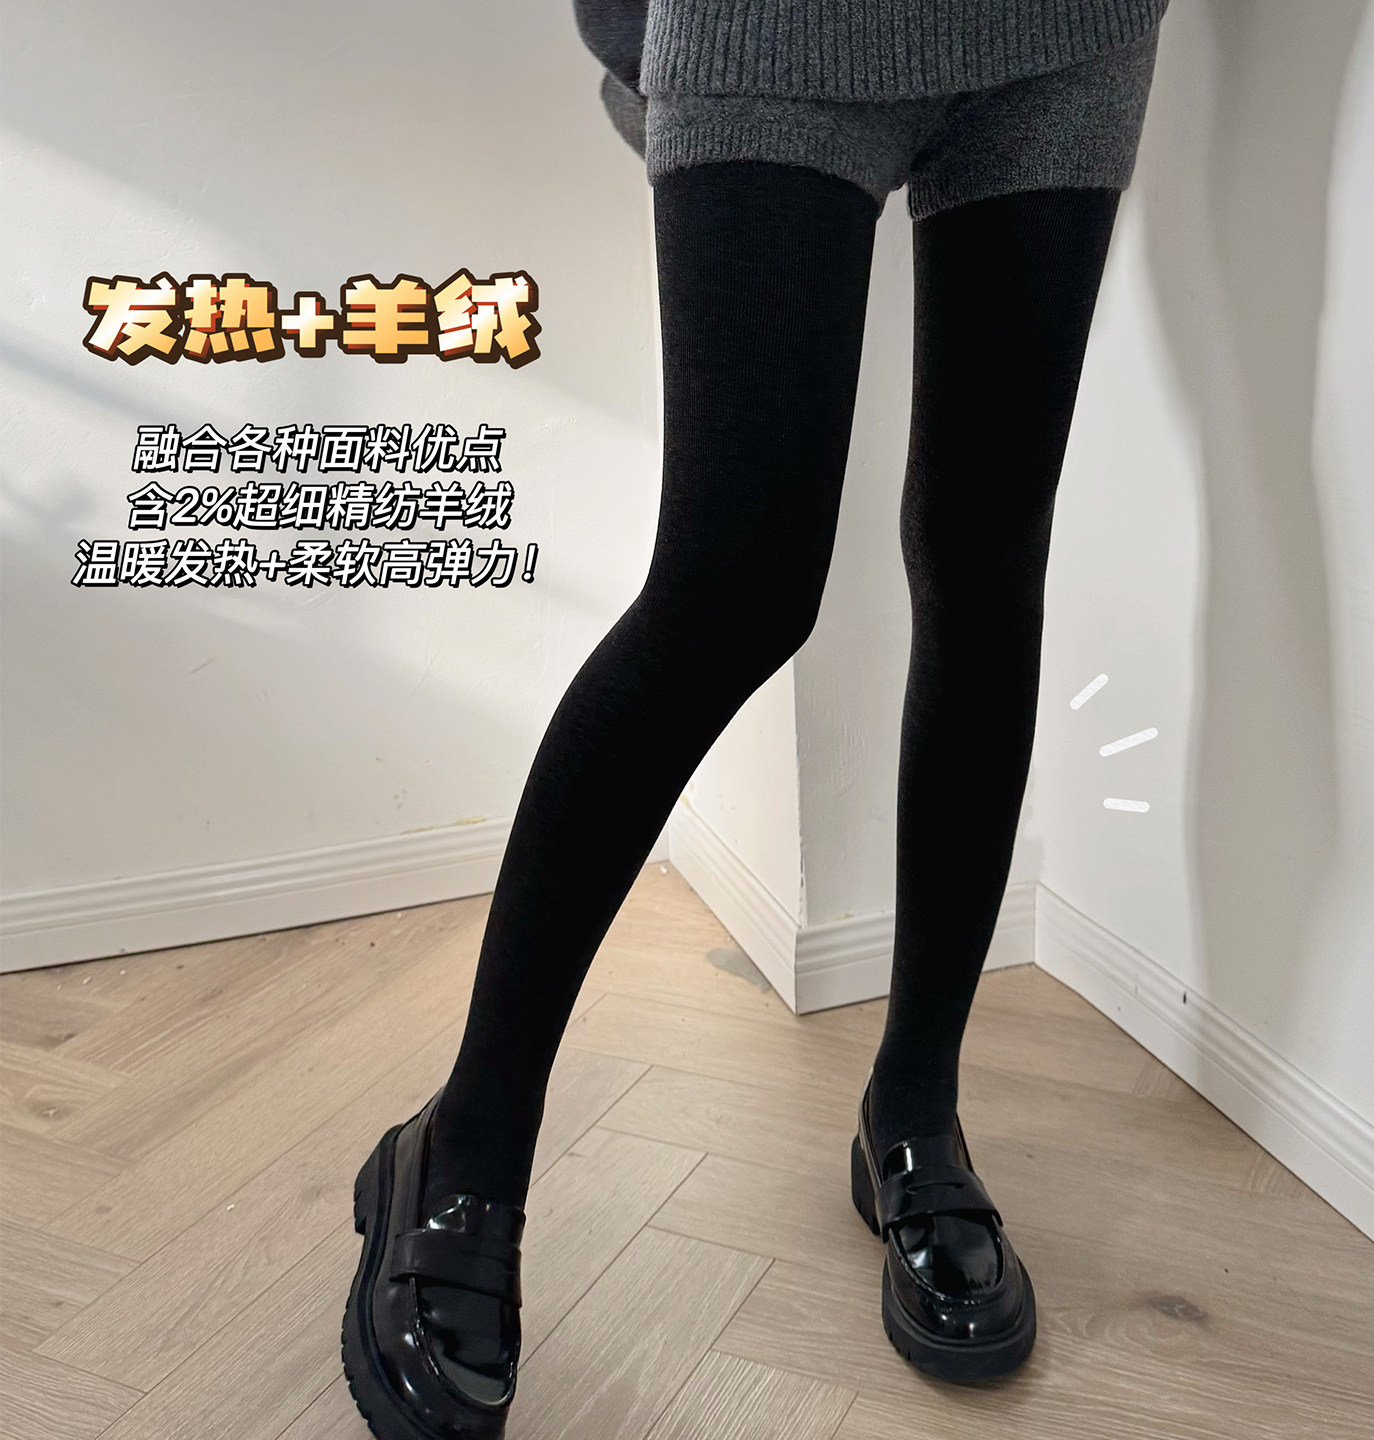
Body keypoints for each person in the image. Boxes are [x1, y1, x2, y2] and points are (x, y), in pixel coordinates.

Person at [342, 3, 1169, 1435]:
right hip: (774, 26)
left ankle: (913, 1111)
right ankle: (465, 1142)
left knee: (987, 571)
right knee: (732, 588)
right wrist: (638, 34)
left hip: (1067, 34)